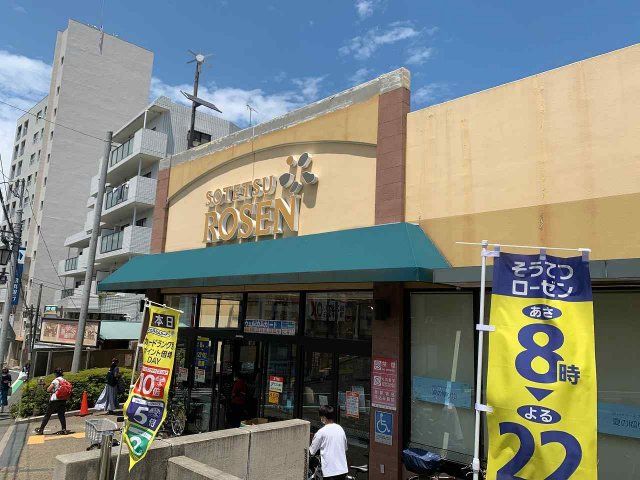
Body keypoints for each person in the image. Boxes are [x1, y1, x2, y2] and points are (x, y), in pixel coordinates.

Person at [309, 405, 348, 480]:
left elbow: (311, 451)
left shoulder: (321, 432)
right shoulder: (340, 429)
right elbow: (345, 448)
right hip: (343, 470)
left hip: (330, 472)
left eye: (321, 417)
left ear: (323, 417)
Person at [34, 368, 71, 435]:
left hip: (55, 400)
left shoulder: (55, 381)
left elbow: (48, 389)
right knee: (61, 415)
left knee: (48, 415)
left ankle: (41, 430)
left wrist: (52, 390)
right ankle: (64, 429)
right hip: (63, 399)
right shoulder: (64, 380)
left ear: (56, 374)